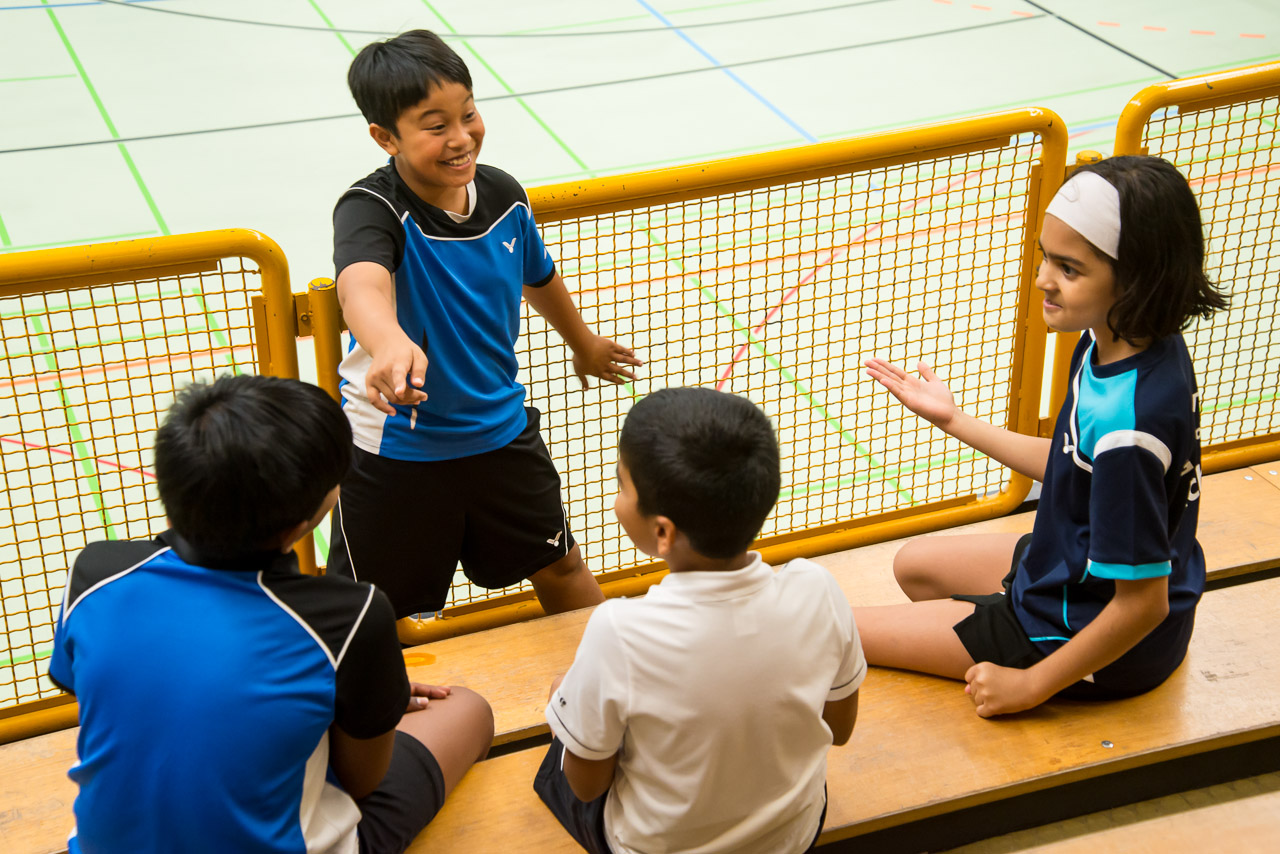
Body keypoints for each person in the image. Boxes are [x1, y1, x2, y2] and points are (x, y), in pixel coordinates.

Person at [47, 375, 495, 854]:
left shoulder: (95, 571)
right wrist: (366, 700)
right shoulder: (351, 615)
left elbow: (105, 692)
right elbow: (362, 780)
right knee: (469, 710)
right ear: (303, 523)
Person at [859, 155, 1229, 718]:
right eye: (1045, 257)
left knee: (839, 632)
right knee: (915, 564)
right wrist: (954, 420)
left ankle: (1019, 644)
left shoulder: (1129, 428)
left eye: (1069, 269)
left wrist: (1031, 686)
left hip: (1092, 635)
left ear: (1134, 279)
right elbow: (1072, 464)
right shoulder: (1120, 339)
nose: (1043, 280)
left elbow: (1143, 605)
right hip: (1068, 571)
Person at [326, 29, 640, 619]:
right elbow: (361, 285)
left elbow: (537, 275)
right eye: (435, 125)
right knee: (371, 612)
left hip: (501, 432)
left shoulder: (503, 195)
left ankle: (614, 669)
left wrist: (583, 342)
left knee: (563, 567)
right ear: (386, 137)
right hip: (397, 449)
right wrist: (388, 343)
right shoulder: (371, 208)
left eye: (468, 114)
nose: (461, 137)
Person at [534, 387, 865, 854]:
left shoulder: (620, 630)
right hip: (794, 835)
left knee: (562, 709)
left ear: (663, 532)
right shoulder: (817, 588)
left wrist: (569, 717)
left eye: (622, 485)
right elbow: (841, 730)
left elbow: (587, 786)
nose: (616, 499)